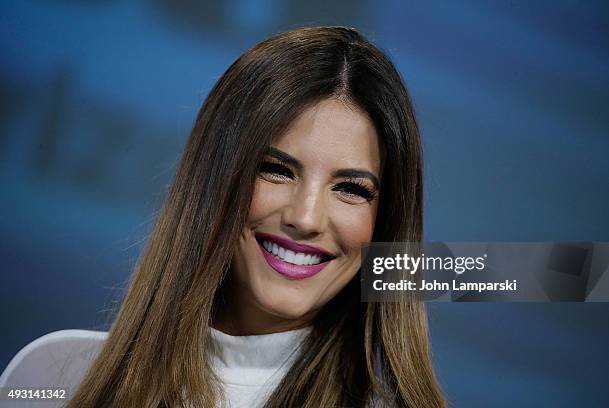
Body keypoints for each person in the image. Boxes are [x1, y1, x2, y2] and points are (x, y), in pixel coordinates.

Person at [0, 26, 446, 407]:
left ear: (385, 224)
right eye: (275, 170)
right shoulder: (50, 378)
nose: (306, 218)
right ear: (214, 180)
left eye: (351, 189)